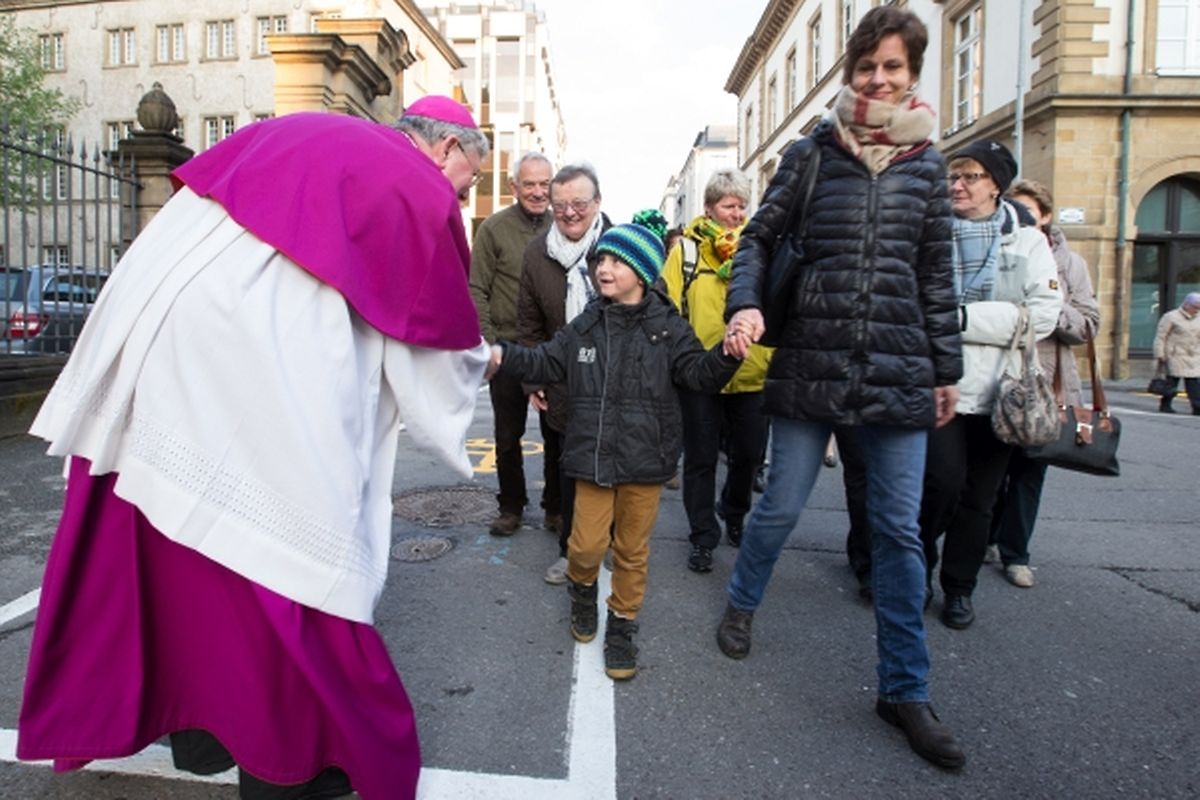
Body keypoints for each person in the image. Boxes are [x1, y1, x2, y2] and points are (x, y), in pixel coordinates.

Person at [16, 97, 491, 800]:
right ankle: (295, 760)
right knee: (284, 562)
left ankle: (203, 732)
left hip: (150, 348)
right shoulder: (413, 181)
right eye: (469, 180)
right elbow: (432, 348)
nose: (461, 197)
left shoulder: (292, 131)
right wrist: (489, 363)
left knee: (171, 555)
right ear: (447, 148)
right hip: (246, 370)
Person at [715, 7, 966, 770]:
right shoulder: (813, 152)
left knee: (898, 533)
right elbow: (759, 238)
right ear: (851, 72)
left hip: (898, 367)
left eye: (893, 67)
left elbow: (935, 273)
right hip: (812, 361)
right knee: (781, 505)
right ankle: (742, 603)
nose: (878, 79)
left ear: (912, 75)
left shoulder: (927, 164)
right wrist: (746, 303)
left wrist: (947, 368)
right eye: (867, 66)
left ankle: (904, 689)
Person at [492, 222, 740, 680]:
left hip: (645, 462)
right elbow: (545, 359)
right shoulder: (586, 324)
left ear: (642, 272)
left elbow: (700, 375)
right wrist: (502, 354)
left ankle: (622, 624)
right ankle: (583, 592)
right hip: (592, 458)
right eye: (601, 260)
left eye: (616, 262)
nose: (603, 269)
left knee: (631, 551)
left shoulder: (670, 328)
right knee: (584, 548)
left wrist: (728, 354)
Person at [917, 139, 1061, 631]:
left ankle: (959, 588)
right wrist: (997, 317)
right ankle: (919, 571)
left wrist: (959, 318)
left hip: (1002, 392)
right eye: (953, 176)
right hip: (938, 384)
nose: (957, 185)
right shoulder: (929, 234)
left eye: (970, 176)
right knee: (939, 485)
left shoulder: (1027, 242)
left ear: (996, 184)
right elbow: (913, 304)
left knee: (980, 497)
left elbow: (1042, 315)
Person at [989, 179, 1100, 587]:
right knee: (988, 470)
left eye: (1029, 215)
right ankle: (985, 537)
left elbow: (1088, 325)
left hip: (1046, 386)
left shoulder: (1071, 264)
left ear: (1047, 217)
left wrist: (1049, 308)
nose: (1020, 222)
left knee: (1029, 472)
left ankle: (1015, 554)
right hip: (997, 377)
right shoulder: (995, 250)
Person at [662, 169, 772, 573]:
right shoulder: (687, 252)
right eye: (729, 206)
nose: (737, 214)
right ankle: (702, 536)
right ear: (709, 208)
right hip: (701, 375)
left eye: (742, 206)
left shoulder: (759, 250)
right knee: (701, 459)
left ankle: (734, 511)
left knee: (748, 456)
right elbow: (667, 307)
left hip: (752, 372)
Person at [515, 163, 610, 583]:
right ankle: (571, 551)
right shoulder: (537, 253)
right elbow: (529, 325)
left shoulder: (619, 244)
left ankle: (611, 547)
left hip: (614, 380)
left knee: (610, 470)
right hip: (563, 381)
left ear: (598, 203)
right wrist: (534, 379)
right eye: (560, 205)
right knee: (569, 471)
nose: (569, 212)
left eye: (579, 204)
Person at [469, 152, 555, 537]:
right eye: (529, 184)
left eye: (544, 184)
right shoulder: (493, 229)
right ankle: (511, 506)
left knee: (557, 433)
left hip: (551, 351)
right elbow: (477, 289)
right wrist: (490, 343)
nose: (538, 192)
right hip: (507, 348)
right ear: (513, 186)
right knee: (507, 436)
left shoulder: (563, 225)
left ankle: (556, 506)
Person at [1152, 292, 1200, 414]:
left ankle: (1197, 407)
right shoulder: (1171, 317)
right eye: (1195, 307)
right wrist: (1160, 353)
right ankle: (1165, 404)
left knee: (1193, 383)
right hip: (1175, 354)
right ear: (1186, 305)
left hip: (1193, 354)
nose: (1196, 310)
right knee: (1171, 381)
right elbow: (1161, 336)